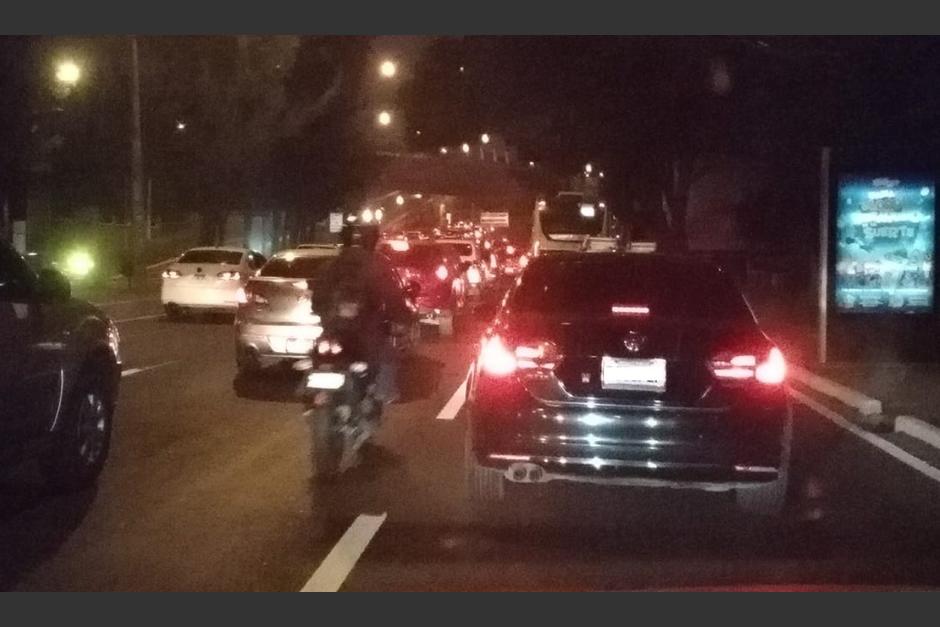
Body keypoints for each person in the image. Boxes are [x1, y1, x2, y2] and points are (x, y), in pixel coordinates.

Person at [311, 221, 411, 403]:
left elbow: (317, 300)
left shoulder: (330, 266)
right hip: (366, 332)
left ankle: (324, 395)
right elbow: (392, 296)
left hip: (334, 330)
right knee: (388, 357)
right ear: (372, 240)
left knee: (318, 354)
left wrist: (324, 315)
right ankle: (382, 394)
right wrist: (401, 317)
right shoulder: (377, 265)